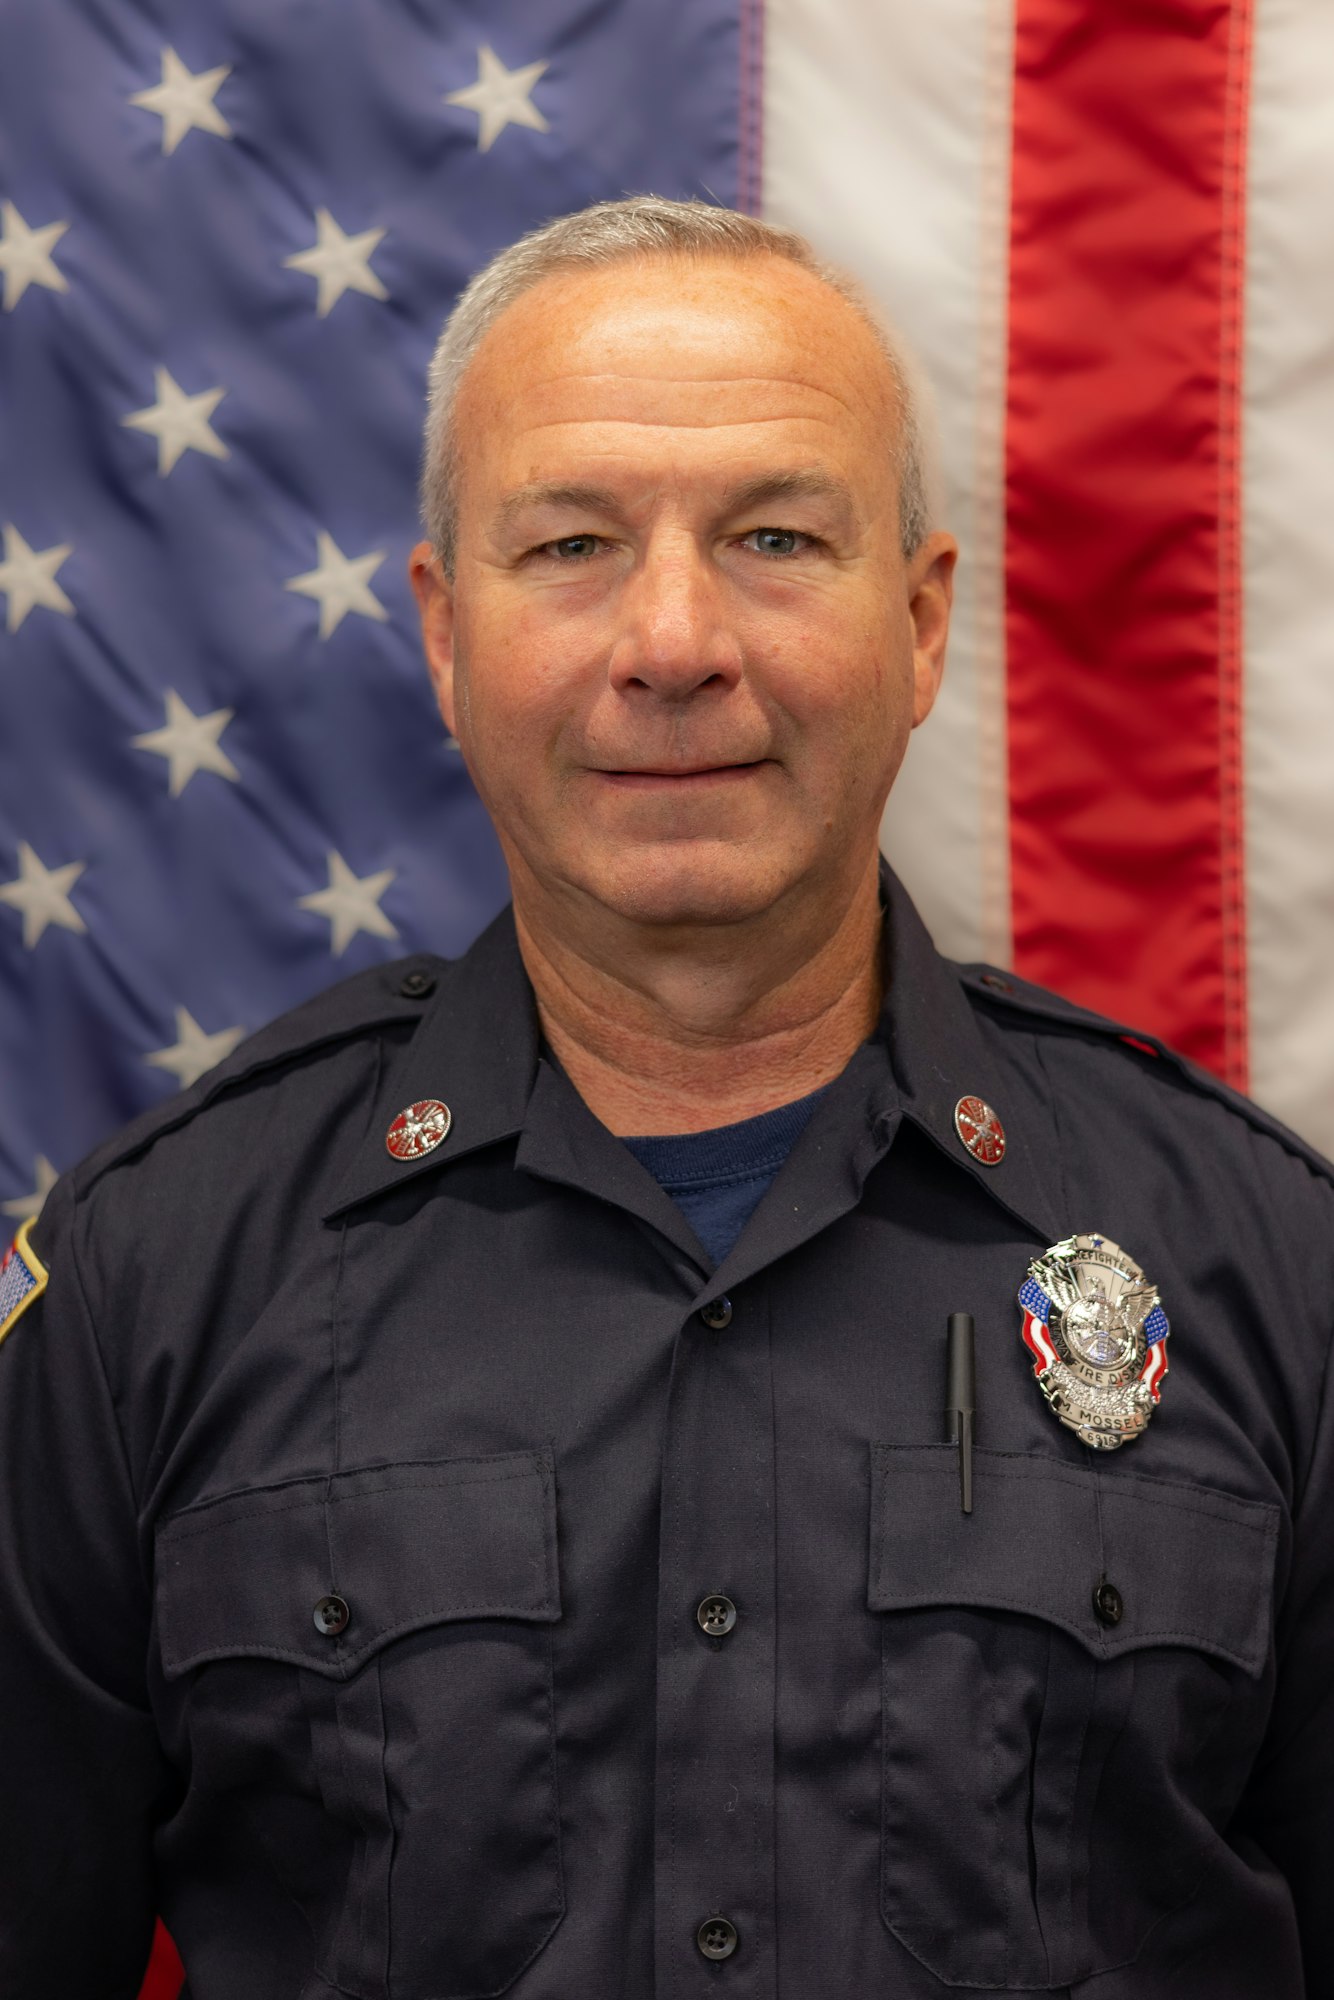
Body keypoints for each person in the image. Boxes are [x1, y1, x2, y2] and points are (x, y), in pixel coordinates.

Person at [1, 195, 1330, 2000]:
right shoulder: (152, 1275)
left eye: (775, 535)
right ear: (446, 634)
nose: (675, 638)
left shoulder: (1265, 1259)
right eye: (570, 547)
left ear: (923, 625)